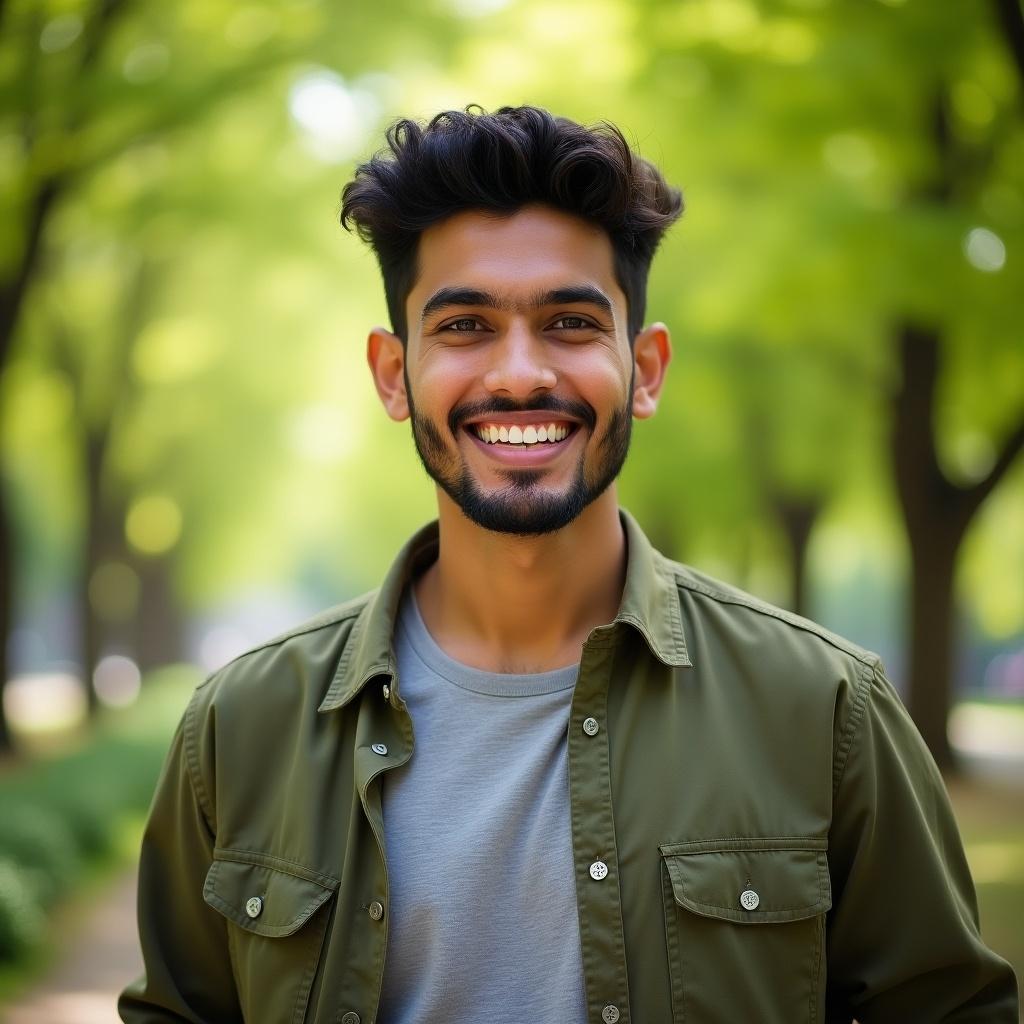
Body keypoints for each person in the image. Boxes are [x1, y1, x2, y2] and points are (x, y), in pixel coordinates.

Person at [119, 106, 1018, 1024]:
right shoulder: (241, 727)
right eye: (464, 325)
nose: (518, 374)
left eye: (570, 323)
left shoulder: (826, 709)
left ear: (647, 368)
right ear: (393, 373)